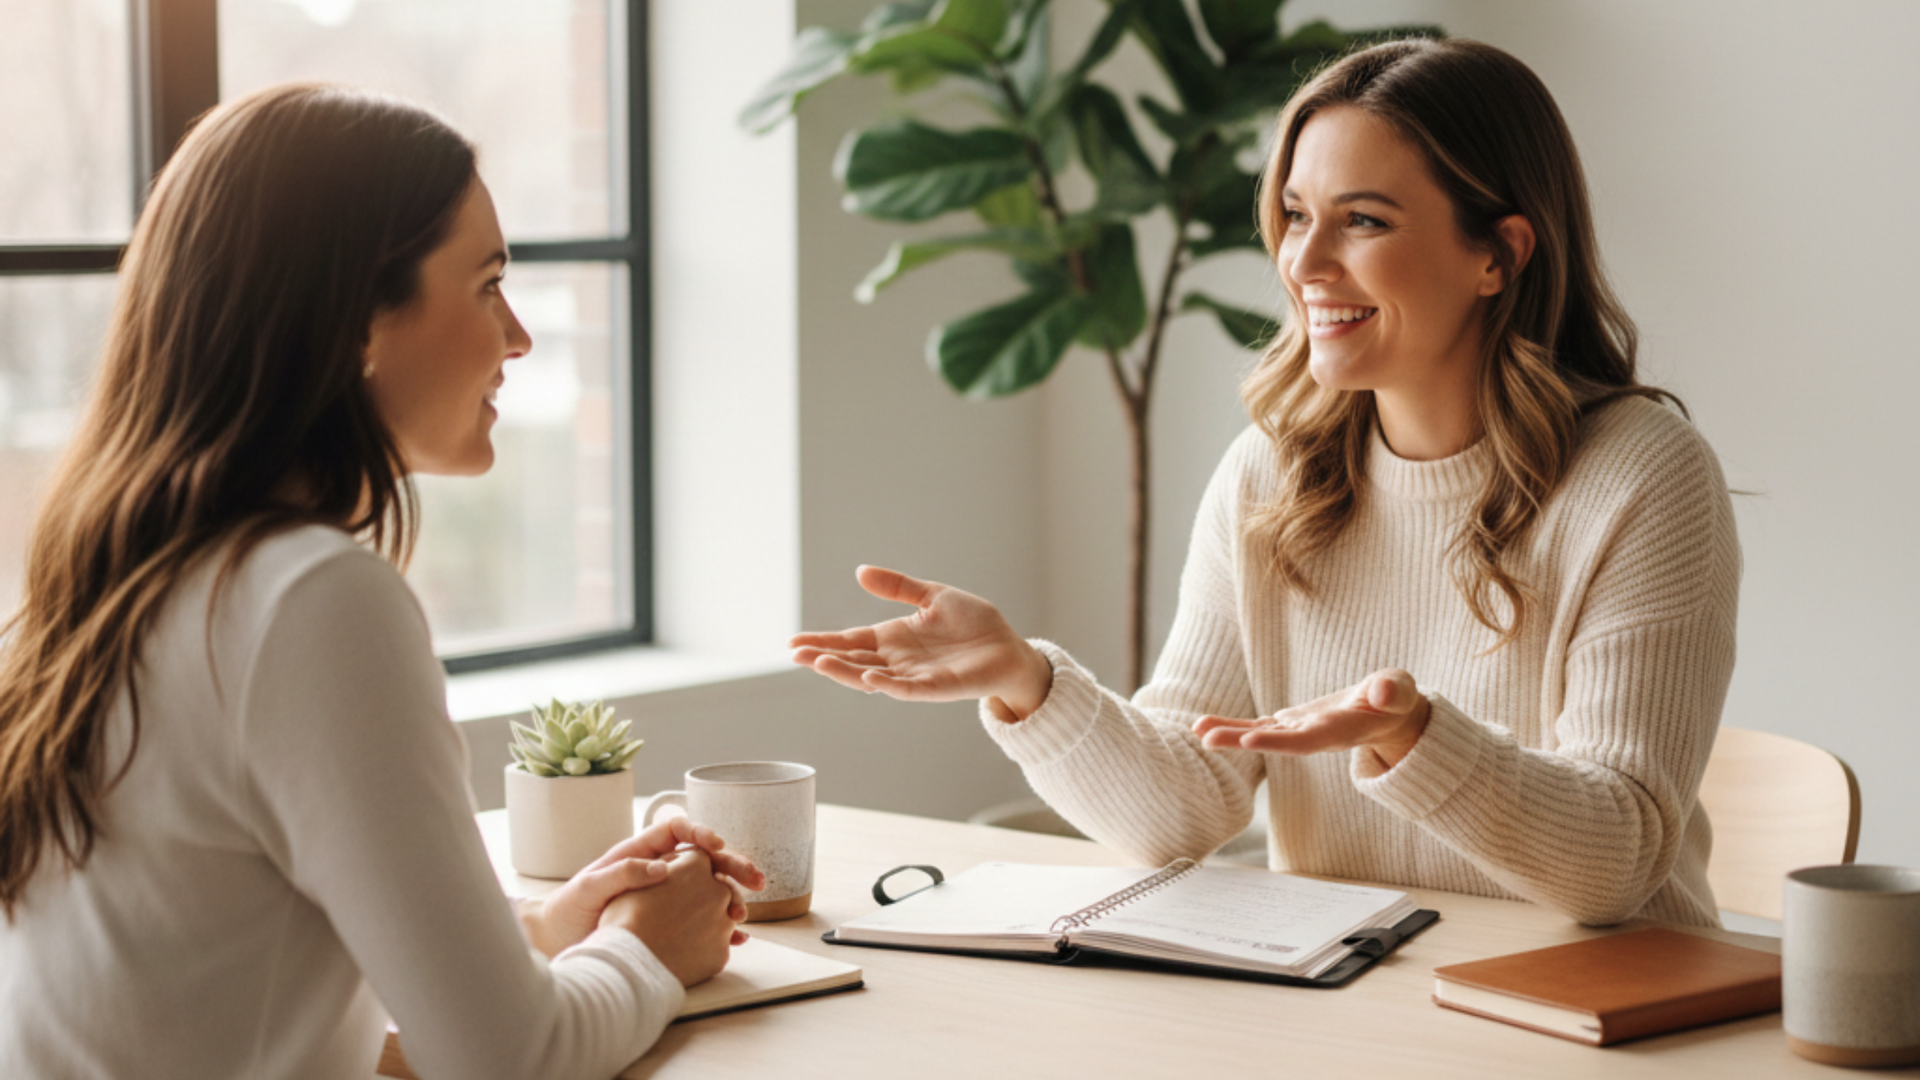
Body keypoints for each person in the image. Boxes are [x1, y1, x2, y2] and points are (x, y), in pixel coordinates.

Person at [791, 38, 1738, 929]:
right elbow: (1185, 805)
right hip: (1358, 992)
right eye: (1294, 215)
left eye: (1363, 220)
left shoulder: (1641, 476)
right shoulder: (1273, 471)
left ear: (1500, 254)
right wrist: (1028, 682)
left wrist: (1415, 737)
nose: (1304, 263)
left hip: (1604, 1018)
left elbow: (1618, 862)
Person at [0, 84, 763, 1078]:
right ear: (358, 319)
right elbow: (510, 1057)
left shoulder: (114, 581)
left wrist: (542, 927)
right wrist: (646, 953)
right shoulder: (309, 600)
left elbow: (225, 955)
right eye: (488, 284)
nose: (519, 336)